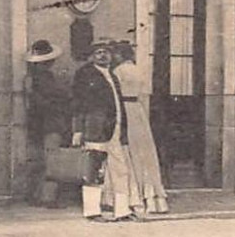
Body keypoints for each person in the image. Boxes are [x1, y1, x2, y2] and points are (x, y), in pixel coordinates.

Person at [71, 41, 144, 221]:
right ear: (92, 55)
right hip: (96, 129)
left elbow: (118, 104)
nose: (103, 56)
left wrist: (123, 130)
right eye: (99, 52)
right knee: (94, 170)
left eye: (106, 53)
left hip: (116, 130)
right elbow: (78, 103)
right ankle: (92, 212)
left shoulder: (112, 74)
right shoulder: (85, 74)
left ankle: (122, 211)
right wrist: (78, 129)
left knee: (121, 170)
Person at [111, 41, 169, 215]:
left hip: (124, 110)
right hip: (138, 111)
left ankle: (132, 197)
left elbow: (115, 97)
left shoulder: (117, 71)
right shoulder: (140, 70)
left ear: (120, 55)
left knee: (127, 152)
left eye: (115, 54)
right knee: (144, 152)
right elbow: (145, 95)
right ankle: (154, 199)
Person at [22, 40, 70, 201]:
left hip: (35, 122)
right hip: (50, 121)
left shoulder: (29, 79)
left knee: (36, 160)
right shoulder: (48, 79)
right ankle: (47, 197)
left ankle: (33, 194)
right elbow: (55, 99)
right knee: (51, 159)